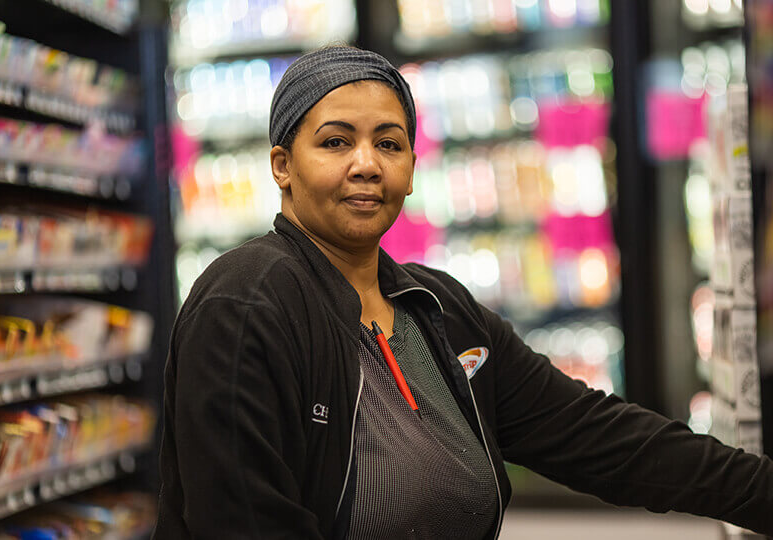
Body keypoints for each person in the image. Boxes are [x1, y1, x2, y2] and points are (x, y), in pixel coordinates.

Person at [153, 46, 773, 539]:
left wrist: (760, 493)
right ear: (282, 165)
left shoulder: (436, 307)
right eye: (336, 141)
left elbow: (594, 435)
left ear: (413, 169)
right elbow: (242, 522)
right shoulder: (247, 300)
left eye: (389, 144)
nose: (367, 164)